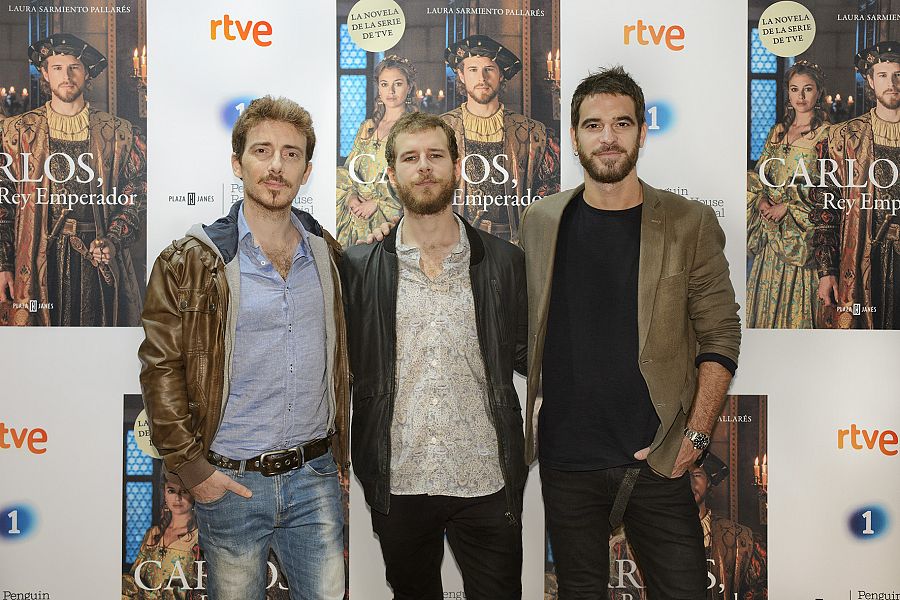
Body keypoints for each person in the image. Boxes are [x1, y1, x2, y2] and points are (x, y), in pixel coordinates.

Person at [519, 66, 741, 599]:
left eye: (622, 123)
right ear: (574, 137)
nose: (608, 137)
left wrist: (696, 436)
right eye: (593, 125)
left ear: (643, 132)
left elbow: (720, 335)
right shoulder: (541, 222)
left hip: (659, 460)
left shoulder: (689, 222)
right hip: (568, 459)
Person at [139, 96, 349, 600]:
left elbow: (347, 361)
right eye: (262, 151)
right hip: (229, 482)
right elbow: (159, 368)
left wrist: (343, 456)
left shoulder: (329, 256)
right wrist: (194, 471)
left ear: (307, 170)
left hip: (315, 478)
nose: (276, 166)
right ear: (239, 163)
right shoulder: (190, 260)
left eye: (291, 154)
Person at [341, 111, 528, 600]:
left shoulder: (504, 261)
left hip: (486, 479)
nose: (424, 167)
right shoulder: (360, 267)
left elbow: (535, 357)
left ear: (457, 164)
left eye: (435, 156)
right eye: (410, 158)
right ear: (391, 174)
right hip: (399, 480)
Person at [0, 33, 146, 326]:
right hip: (38, 256)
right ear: (44, 73)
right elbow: (4, 202)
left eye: (74, 67)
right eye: (57, 68)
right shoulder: (16, 133)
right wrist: (3, 263)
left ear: (87, 72)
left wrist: (114, 239)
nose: (66, 76)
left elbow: (137, 197)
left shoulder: (120, 134)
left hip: (98, 257)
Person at [812, 41, 900, 328]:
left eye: (898, 75)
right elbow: (826, 208)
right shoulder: (842, 138)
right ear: (871, 82)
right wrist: (826, 271)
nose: (892, 84)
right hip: (863, 258)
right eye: (884, 76)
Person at [442, 34, 560, 242]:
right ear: (461, 75)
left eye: (489, 69)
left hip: (512, 245)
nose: (482, 78)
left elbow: (550, 195)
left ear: (501, 75)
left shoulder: (533, 133)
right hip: (455, 243)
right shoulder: (441, 130)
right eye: (473, 70)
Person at [747, 60, 830, 328]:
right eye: (795, 89)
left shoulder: (828, 134)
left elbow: (829, 186)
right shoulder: (778, 131)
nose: (801, 97)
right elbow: (760, 174)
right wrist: (761, 200)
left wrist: (789, 206)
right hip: (772, 234)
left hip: (800, 235)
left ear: (819, 92)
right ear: (788, 93)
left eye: (808, 89)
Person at [336, 55, 419, 247]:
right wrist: (350, 197)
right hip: (354, 215)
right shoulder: (367, 127)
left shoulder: (414, 128)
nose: (390, 91)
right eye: (384, 84)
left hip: (389, 216)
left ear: (409, 87)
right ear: (378, 88)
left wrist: (377, 203)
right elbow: (349, 168)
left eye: (397, 84)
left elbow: (413, 178)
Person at [689, 457, 767, 600]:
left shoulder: (740, 538)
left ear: (708, 482)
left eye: (696, 475)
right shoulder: (652, 533)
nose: (690, 483)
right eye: (681, 476)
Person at [122, 479, 201, 600]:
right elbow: (135, 577)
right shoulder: (153, 533)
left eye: (184, 491)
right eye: (171, 491)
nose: (177, 498)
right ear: (164, 494)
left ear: (194, 494)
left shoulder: (200, 537)